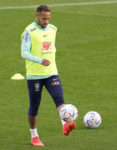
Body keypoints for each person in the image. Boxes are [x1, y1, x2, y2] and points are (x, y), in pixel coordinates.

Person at [21, 5, 76, 147]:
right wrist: (40, 60)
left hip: (51, 72)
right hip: (35, 75)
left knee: (60, 100)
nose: (46, 21)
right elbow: (24, 53)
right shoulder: (29, 31)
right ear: (37, 16)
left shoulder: (53, 29)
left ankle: (65, 125)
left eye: (48, 18)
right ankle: (34, 136)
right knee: (34, 106)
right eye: (44, 18)